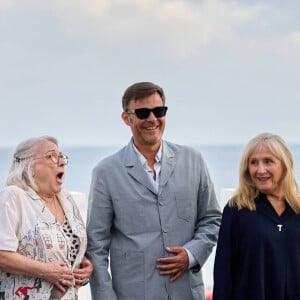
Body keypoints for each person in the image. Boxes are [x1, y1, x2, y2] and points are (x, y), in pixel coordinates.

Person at [86, 81, 222, 300]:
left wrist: (191, 254)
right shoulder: (106, 172)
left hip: (186, 292)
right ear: (126, 118)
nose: (152, 119)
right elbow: (96, 244)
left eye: (159, 111)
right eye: (142, 112)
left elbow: (212, 219)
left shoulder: (193, 161)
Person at [0, 136, 93, 300]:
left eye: (62, 157)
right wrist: (45, 270)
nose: (62, 162)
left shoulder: (66, 199)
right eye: (51, 156)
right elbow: (2, 254)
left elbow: (67, 243)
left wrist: (83, 263)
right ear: (29, 165)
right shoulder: (13, 197)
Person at [213, 132, 300, 300]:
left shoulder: (297, 210)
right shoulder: (236, 210)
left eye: (268, 161)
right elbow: (224, 274)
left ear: (285, 164)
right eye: (253, 163)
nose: (260, 170)